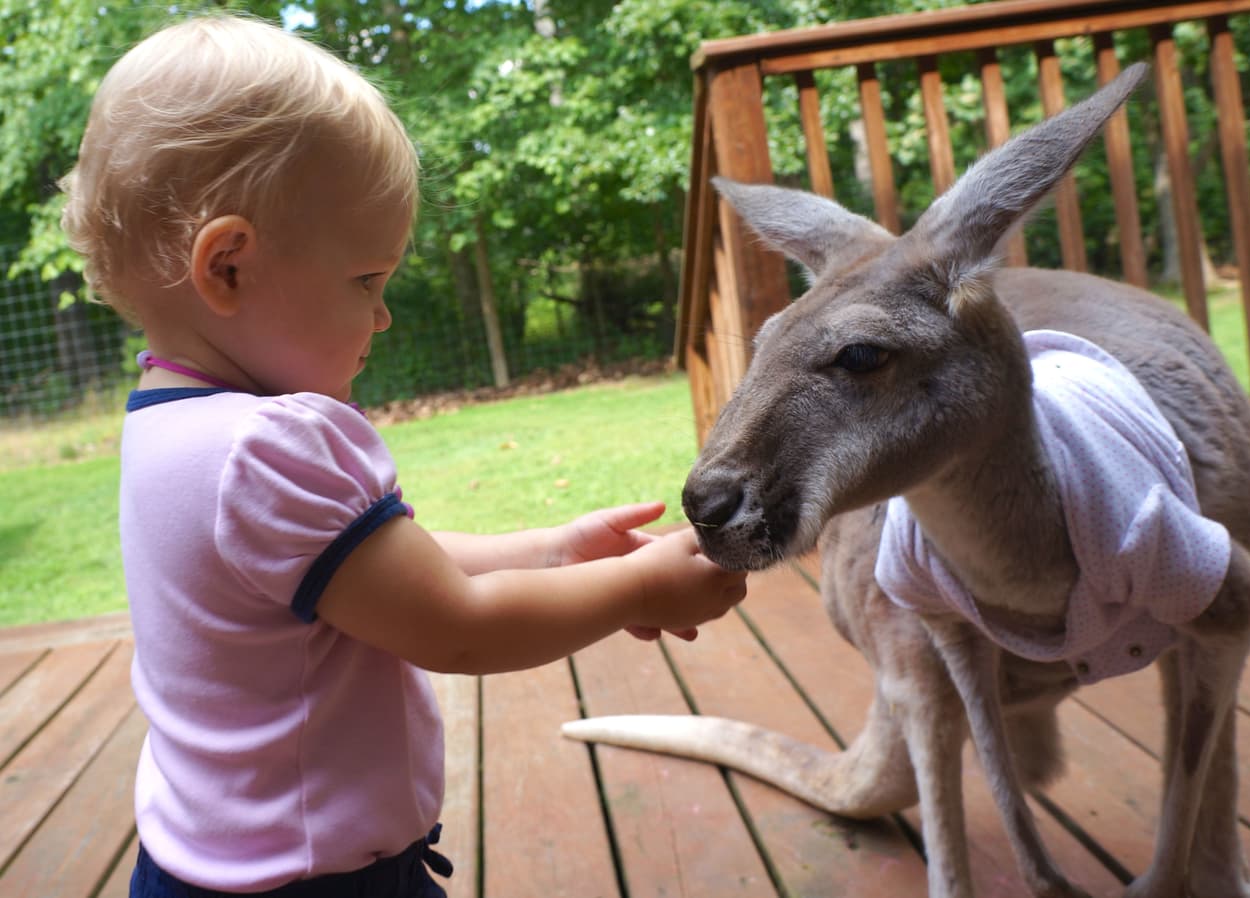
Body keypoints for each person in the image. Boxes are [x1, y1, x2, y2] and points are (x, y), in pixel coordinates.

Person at [60, 14, 748, 898]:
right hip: (311, 884)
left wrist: (548, 550)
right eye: (367, 282)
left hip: (198, 868)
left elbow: (373, 569)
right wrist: (640, 588)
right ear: (226, 267)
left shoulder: (168, 425)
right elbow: (451, 624)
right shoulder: (273, 443)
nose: (382, 318)